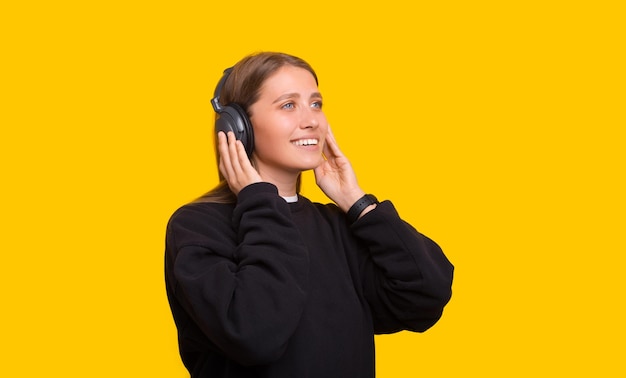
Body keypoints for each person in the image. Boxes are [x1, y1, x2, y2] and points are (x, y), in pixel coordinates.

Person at [164, 51, 454, 378]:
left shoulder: (338, 226)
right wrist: (259, 201)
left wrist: (358, 203)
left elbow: (427, 294)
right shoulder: (197, 227)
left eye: (316, 104)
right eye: (289, 105)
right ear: (237, 127)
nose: (312, 120)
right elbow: (255, 335)